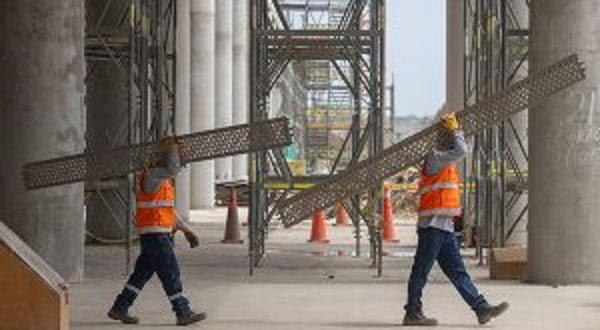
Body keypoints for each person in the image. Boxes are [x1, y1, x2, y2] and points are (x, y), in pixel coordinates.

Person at [403, 113, 509, 326]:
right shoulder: (434, 158)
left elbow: (461, 148)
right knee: (421, 270)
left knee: (457, 271)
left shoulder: (445, 161)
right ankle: (412, 312)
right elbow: (462, 149)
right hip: (432, 226)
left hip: (444, 227)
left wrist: (457, 130)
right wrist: (456, 129)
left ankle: (481, 308)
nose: (454, 139)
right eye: (451, 135)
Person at [108, 137, 205, 326]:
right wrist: (174, 146)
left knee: (141, 274)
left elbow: (167, 211)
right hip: (156, 235)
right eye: (180, 153)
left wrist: (186, 230)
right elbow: (172, 167)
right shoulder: (153, 176)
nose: (184, 156)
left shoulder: (162, 180)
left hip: (155, 233)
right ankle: (182, 311)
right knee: (170, 272)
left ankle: (120, 307)